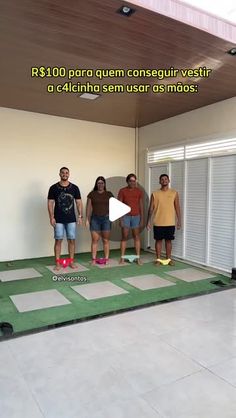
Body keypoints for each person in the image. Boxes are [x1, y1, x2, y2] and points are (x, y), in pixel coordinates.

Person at [47, 167, 83, 270]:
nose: (65, 174)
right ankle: (58, 263)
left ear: (69, 174)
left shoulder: (74, 188)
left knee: (71, 240)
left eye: (66, 173)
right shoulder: (53, 188)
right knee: (58, 240)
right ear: (59, 174)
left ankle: (71, 262)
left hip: (71, 219)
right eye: (63, 173)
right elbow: (50, 203)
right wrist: (51, 217)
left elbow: (79, 202)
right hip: (58, 220)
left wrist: (80, 216)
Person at [146, 173, 181, 266]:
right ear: (159, 181)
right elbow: (151, 209)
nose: (164, 181)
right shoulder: (155, 193)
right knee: (158, 241)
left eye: (166, 179)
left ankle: (169, 259)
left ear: (168, 181)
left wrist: (179, 221)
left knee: (169, 241)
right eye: (162, 179)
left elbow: (177, 207)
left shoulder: (174, 193)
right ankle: (158, 259)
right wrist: (148, 221)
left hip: (170, 222)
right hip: (158, 222)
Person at [86, 176, 113, 265]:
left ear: (104, 184)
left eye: (102, 183)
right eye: (99, 183)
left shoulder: (109, 194)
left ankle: (106, 259)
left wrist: (112, 216)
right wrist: (87, 219)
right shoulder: (92, 194)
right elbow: (89, 208)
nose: (100, 185)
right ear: (96, 184)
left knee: (105, 240)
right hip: (95, 219)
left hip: (106, 219)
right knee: (95, 240)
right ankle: (93, 259)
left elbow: (114, 206)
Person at [118, 173, 144, 265]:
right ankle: (122, 258)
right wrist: (120, 219)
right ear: (127, 181)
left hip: (136, 216)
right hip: (125, 217)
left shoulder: (139, 191)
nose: (132, 182)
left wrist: (142, 218)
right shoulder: (122, 191)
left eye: (134, 181)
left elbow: (140, 205)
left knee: (136, 237)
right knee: (124, 237)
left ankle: (138, 258)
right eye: (131, 181)